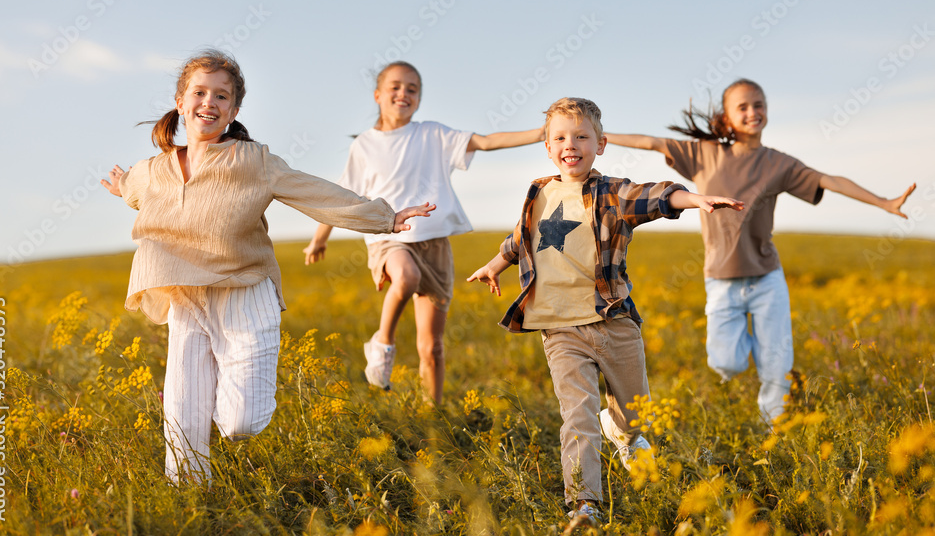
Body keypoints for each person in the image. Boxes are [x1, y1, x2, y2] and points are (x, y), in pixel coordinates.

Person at [101, 50, 433, 483]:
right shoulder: (152, 170)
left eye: (221, 96)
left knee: (241, 422)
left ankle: (226, 396)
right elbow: (135, 190)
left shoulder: (254, 161)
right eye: (199, 93)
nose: (209, 102)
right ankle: (188, 498)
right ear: (180, 102)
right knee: (182, 412)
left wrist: (384, 218)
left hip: (245, 291)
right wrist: (122, 186)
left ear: (234, 110)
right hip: (186, 294)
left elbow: (316, 193)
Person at [467, 97, 742, 523]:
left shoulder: (612, 193)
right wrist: (494, 264)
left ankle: (623, 432)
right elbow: (521, 238)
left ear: (601, 144)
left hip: (612, 321)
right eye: (559, 137)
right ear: (547, 145)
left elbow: (655, 196)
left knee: (635, 412)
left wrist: (693, 198)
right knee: (577, 417)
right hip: (559, 328)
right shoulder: (539, 192)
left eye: (581, 136)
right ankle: (584, 504)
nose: (569, 144)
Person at [606, 78, 916, 426]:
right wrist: (602, 136)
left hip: (767, 278)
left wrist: (884, 202)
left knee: (776, 366)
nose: (753, 112)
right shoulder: (704, 154)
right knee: (726, 362)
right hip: (721, 280)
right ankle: (762, 347)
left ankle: (775, 430)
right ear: (727, 116)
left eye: (759, 105)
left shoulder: (778, 163)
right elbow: (650, 141)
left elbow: (830, 180)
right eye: (743, 107)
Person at [304, 61, 543, 405]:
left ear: (419, 99)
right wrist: (319, 238)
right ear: (378, 95)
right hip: (389, 240)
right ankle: (382, 344)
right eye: (396, 87)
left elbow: (488, 142)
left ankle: (434, 414)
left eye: (412, 89)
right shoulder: (365, 145)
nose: (404, 94)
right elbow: (344, 197)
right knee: (407, 276)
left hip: (434, 246)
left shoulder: (433, 134)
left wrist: (544, 132)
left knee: (431, 347)